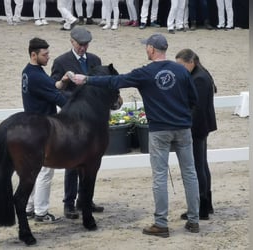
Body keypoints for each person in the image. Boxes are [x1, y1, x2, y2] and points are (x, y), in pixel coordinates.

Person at [72, 33, 200, 237]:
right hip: (183, 128)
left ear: (151, 49)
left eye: (146, 47)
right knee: (190, 174)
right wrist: (183, 116)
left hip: (159, 130)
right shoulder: (181, 70)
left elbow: (115, 81)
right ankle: (194, 220)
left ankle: (161, 223)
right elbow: (193, 99)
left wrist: (86, 79)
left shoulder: (145, 73)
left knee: (159, 177)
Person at [51, 27, 105, 219]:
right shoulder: (61, 61)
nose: (83, 48)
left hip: (91, 120)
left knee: (90, 160)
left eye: (86, 45)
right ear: (72, 42)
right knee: (72, 161)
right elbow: (55, 89)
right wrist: (71, 92)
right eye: (80, 45)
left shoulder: (95, 60)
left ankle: (85, 200)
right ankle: (69, 202)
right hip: (72, 119)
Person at [22, 37, 71, 223]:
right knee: (45, 171)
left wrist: (63, 80)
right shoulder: (36, 76)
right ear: (34, 54)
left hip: (31, 126)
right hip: (43, 129)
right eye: (45, 54)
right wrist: (78, 109)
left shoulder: (29, 71)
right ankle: (41, 212)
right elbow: (58, 98)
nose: (49, 57)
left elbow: (52, 86)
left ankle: (29, 207)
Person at [175, 48, 217, 221]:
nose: (180, 70)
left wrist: (185, 125)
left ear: (191, 62)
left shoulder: (199, 78)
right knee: (202, 164)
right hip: (203, 126)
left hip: (197, 127)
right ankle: (207, 203)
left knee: (197, 166)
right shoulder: (201, 73)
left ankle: (202, 207)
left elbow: (196, 108)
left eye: (181, 65)